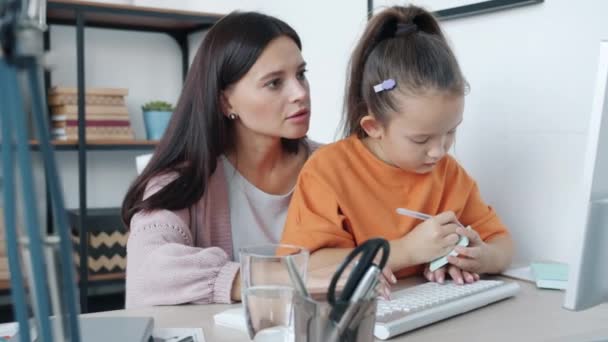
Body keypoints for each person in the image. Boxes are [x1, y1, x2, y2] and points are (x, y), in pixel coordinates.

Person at [280, 5, 514, 298]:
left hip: (427, 311)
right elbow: (304, 266)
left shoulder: (449, 174)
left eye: (450, 132)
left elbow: (502, 242)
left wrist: (480, 258)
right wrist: (406, 251)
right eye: (421, 139)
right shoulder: (328, 170)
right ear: (374, 126)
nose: (439, 151)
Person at [121, 11, 317, 308]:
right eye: (275, 83)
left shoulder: (332, 164)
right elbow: (147, 272)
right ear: (226, 101)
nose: (300, 93)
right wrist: (276, 279)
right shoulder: (182, 181)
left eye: (301, 74)